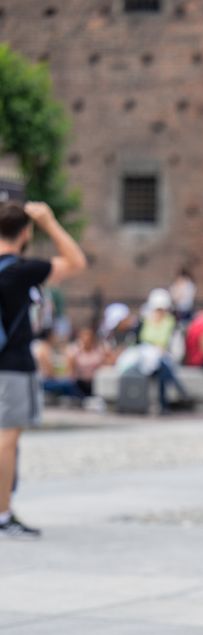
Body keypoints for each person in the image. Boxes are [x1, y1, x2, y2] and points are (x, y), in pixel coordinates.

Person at [0, 200, 86, 538]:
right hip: (12, 364)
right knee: (7, 437)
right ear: (24, 233)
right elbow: (76, 262)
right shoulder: (20, 270)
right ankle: (3, 514)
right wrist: (49, 221)